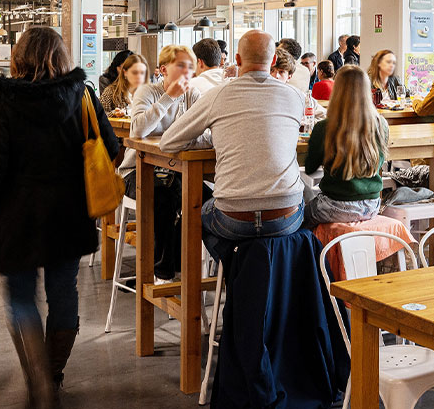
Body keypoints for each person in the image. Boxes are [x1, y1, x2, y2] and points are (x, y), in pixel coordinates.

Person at [0, 27, 120, 409]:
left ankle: (37, 381)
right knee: (63, 292)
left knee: (21, 296)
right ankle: (53, 376)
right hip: (69, 213)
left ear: (19, 58)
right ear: (61, 55)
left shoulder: (3, 102)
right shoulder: (83, 95)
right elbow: (111, 148)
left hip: (16, 215)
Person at [161, 30, 306, 260]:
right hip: (286, 216)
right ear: (274, 60)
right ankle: (251, 269)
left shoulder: (218, 95)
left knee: (197, 213)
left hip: (233, 218)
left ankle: (236, 267)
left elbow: (168, 142)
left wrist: (215, 136)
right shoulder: (296, 97)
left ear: (236, 60)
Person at [119, 44, 199, 283]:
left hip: (178, 169)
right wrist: (168, 98)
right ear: (163, 69)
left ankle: (182, 265)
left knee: (205, 199)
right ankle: (161, 272)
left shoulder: (193, 95)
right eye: (181, 65)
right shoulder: (148, 92)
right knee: (167, 196)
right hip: (138, 171)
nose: (187, 71)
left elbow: (205, 132)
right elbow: (137, 131)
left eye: (191, 67)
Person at [304, 67, 389, 224]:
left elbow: (309, 168)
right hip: (372, 205)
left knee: (297, 217)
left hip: (335, 205)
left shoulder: (324, 127)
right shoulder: (380, 124)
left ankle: (321, 248)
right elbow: (380, 162)